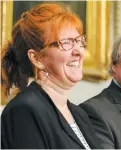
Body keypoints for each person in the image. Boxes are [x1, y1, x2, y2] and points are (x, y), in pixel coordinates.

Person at [1, 3, 101, 149]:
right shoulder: (23, 111)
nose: (79, 51)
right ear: (37, 59)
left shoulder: (80, 115)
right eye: (66, 43)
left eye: (79, 41)